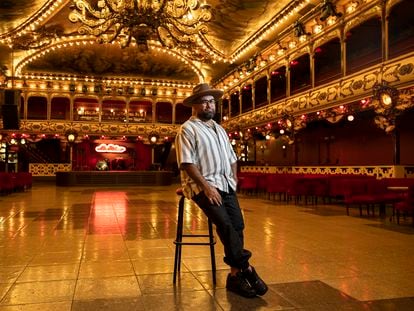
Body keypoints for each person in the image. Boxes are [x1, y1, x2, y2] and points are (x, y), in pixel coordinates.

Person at [175, 83, 268, 298]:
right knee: (225, 225)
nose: (209, 105)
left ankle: (235, 276)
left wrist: (233, 179)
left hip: (225, 184)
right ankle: (248, 270)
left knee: (238, 225)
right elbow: (187, 163)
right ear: (195, 105)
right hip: (203, 186)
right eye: (205, 102)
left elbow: (232, 158)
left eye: (212, 102)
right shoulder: (187, 129)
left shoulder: (220, 129)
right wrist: (207, 188)